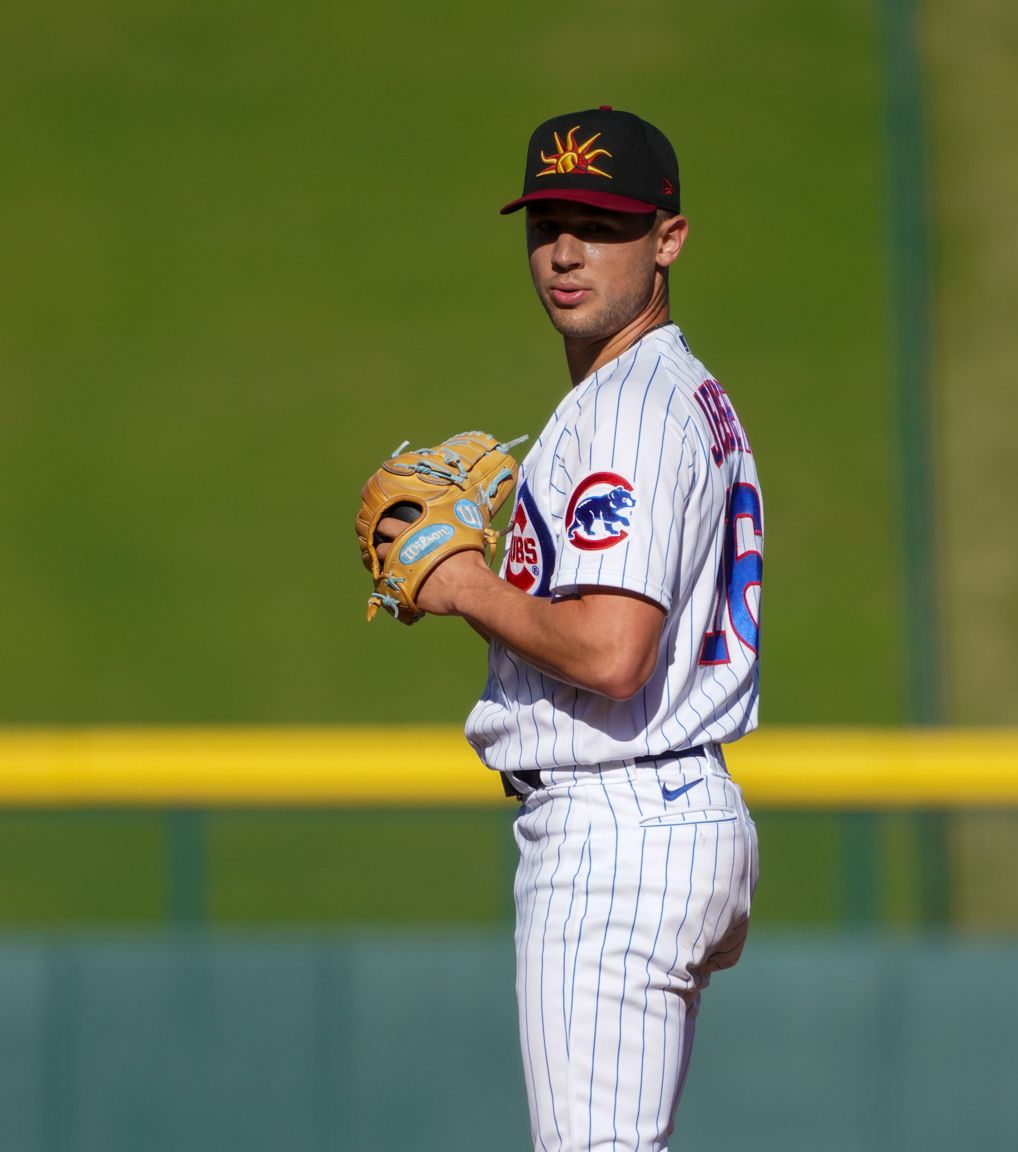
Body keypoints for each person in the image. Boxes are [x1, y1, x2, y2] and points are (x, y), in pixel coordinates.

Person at [375, 106, 763, 1152]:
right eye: (546, 221)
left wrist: (458, 581)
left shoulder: (625, 411)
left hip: (617, 828)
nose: (563, 252)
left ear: (667, 238)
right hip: (675, 805)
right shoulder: (679, 390)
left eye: (600, 224)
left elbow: (608, 651)